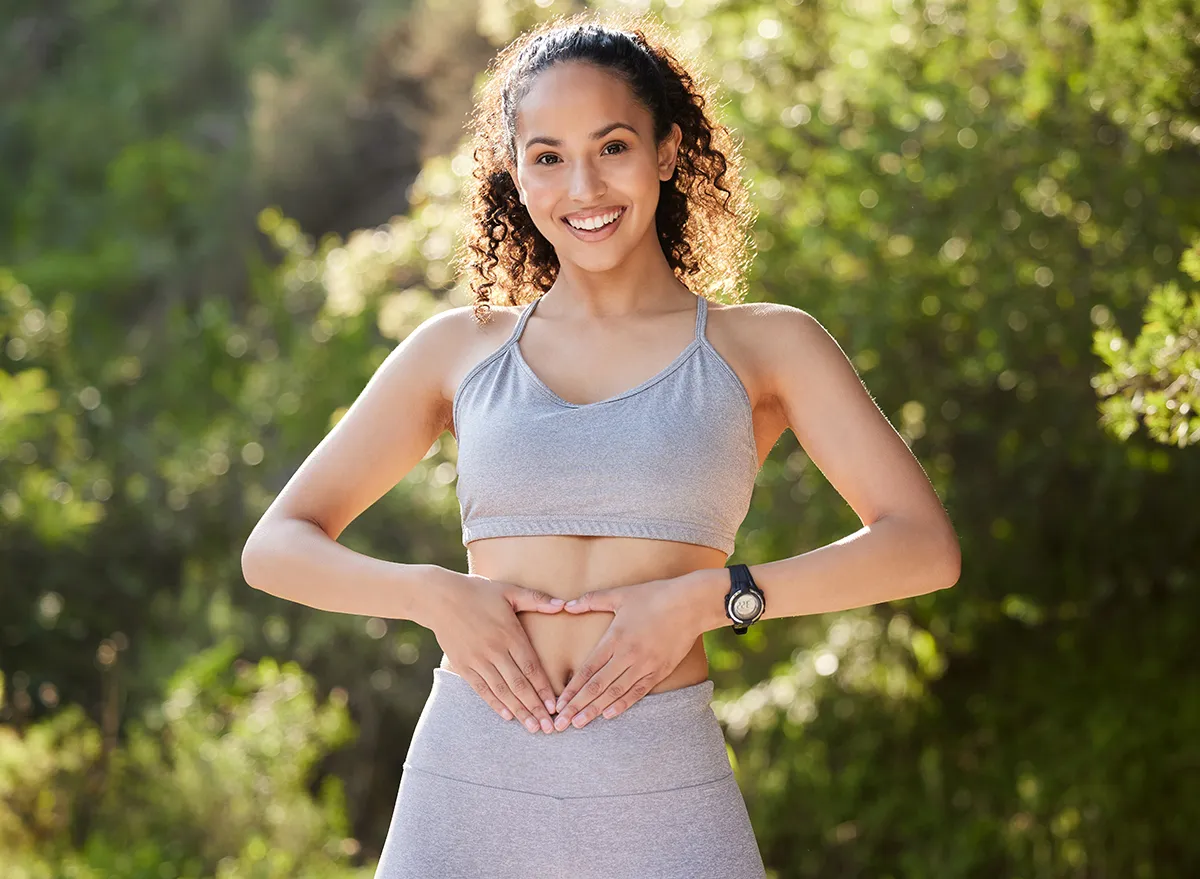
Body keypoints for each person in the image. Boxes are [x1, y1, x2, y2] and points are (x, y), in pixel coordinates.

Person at [241, 12, 961, 878]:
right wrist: (433, 595)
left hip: (661, 790)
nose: (583, 186)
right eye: (547, 157)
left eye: (613, 146)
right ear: (516, 173)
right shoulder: (458, 349)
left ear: (667, 150)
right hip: (466, 785)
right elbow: (275, 547)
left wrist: (711, 599)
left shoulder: (768, 346)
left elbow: (922, 547)